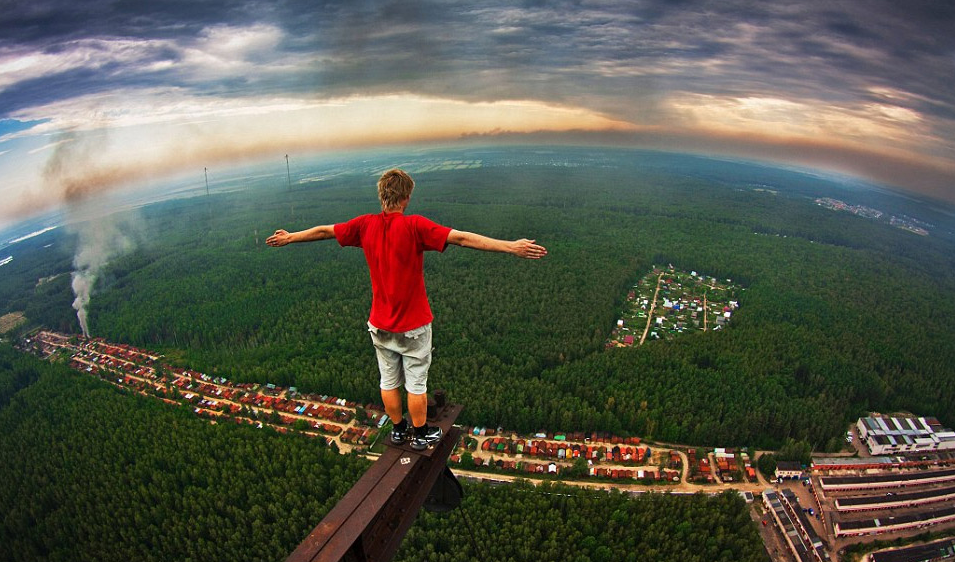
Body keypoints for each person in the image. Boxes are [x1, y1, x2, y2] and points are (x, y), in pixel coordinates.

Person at [267, 169, 546, 450]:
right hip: (413, 326)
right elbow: (461, 238)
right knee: (416, 383)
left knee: (388, 380)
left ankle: (399, 431)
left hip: (379, 324)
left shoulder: (365, 225)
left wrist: (291, 237)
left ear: (382, 195)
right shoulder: (414, 225)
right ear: (407, 197)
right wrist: (511, 247)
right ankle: (421, 434)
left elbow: (325, 231)